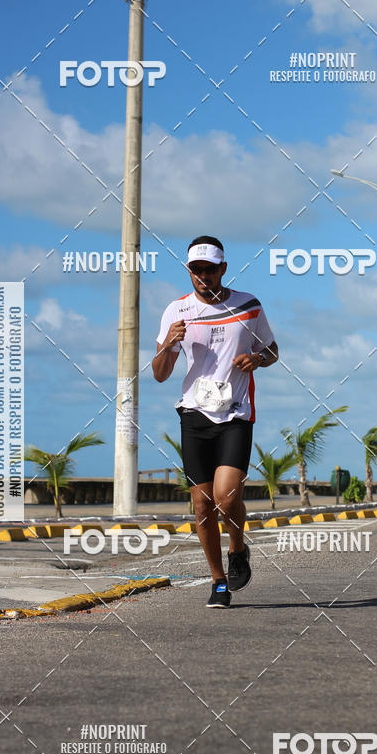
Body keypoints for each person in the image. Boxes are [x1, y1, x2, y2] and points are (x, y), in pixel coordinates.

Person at [152, 236, 278, 609]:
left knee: (227, 497)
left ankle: (237, 547)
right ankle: (218, 581)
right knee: (203, 505)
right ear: (189, 271)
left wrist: (256, 360)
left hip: (236, 412)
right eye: (196, 270)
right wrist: (167, 345)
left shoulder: (248, 306)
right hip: (194, 414)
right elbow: (160, 374)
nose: (203, 276)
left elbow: (271, 349)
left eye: (210, 269)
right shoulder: (177, 311)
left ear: (223, 268)